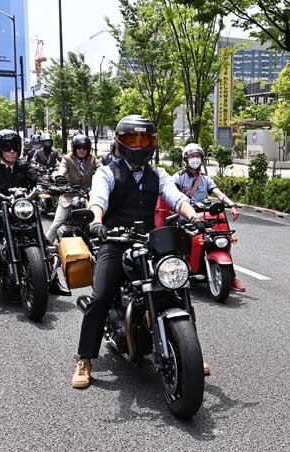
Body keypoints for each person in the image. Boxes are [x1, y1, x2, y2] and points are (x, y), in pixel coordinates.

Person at [71, 115, 208, 389]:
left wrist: (193, 216)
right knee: (101, 297)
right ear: (121, 142)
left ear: (152, 143)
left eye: (144, 139)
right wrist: (97, 221)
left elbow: (176, 197)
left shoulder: (158, 174)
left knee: (177, 285)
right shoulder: (107, 172)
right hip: (114, 239)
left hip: (148, 241)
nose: (138, 144)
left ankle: (189, 350)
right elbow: (98, 199)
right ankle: (85, 358)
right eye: (132, 139)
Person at [0, 129, 70, 304]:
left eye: (15, 148)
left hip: (23, 212)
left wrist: (50, 186)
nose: (12, 151)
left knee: (46, 245)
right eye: (7, 148)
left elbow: (38, 179)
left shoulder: (24, 166)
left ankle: (54, 280)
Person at [172, 142, 245, 292]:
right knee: (180, 240)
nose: (195, 159)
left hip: (204, 214)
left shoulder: (205, 179)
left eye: (198, 156)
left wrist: (232, 205)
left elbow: (217, 193)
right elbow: (173, 197)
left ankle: (231, 276)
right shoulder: (178, 178)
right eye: (192, 156)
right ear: (185, 159)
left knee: (223, 234)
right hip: (186, 216)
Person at [45, 134, 99, 243]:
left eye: (85, 148)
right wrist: (59, 177)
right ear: (74, 148)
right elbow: (62, 169)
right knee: (59, 220)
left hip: (88, 195)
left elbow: (101, 168)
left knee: (98, 217)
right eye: (79, 148)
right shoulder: (67, 158)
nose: (82, 150)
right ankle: (45, 246)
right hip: (69, 194)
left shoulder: (92, 159)